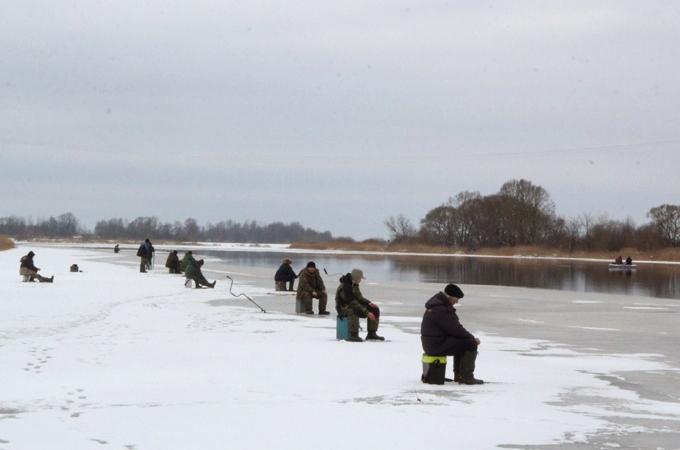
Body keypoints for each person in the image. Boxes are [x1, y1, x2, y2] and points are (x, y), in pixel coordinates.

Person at [420, 283, 483, 385]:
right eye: (456, 299)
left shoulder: (437, 305)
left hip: (432, 343)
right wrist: (472, 339)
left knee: (462, 341)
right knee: (470, 343)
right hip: (436, 345)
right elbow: (455, 329)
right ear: (449, 297)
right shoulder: (441, 309)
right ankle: (466, 377)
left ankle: (459, 376)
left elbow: (452, 329)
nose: (457, 301)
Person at [335, 269, 384, 342]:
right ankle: (353, 335)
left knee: (374, 309)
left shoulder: (354, 284)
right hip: (343, 308)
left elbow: (359, 298)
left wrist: (368, 303)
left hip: (353, 305)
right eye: (360, 278)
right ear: (356, 277)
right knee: (353, 310)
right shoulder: (345, 287)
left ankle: (371, 334)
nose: (361, 280)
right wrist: (367, 312)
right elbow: (352, 302)